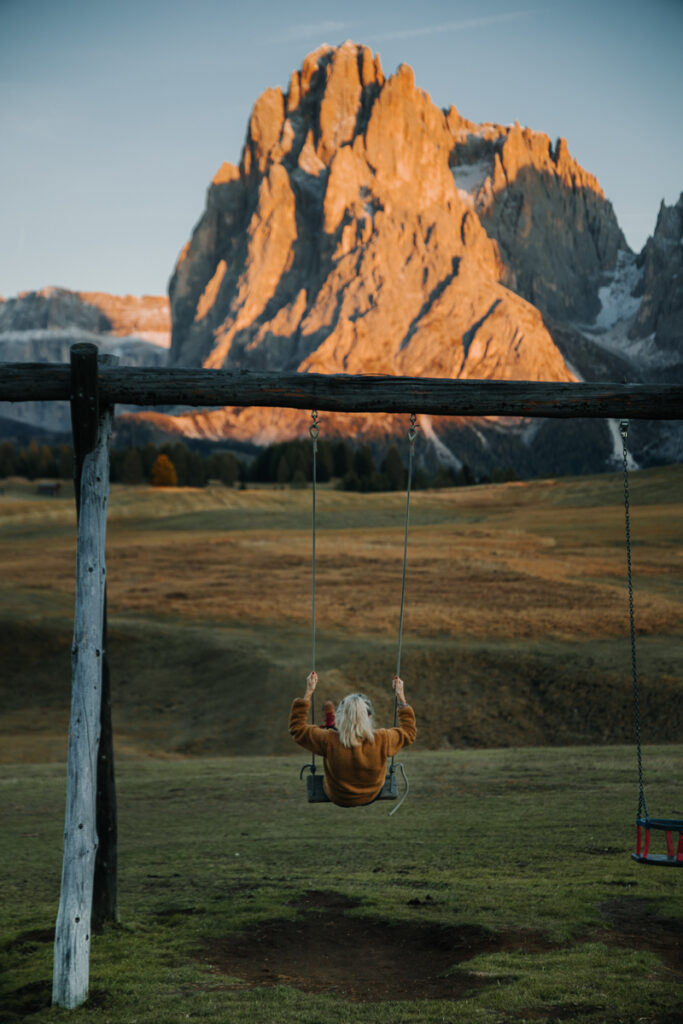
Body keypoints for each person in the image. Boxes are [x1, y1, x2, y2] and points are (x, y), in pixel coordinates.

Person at [289, 672, 416, 807]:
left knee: (329, 731)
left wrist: (308, 692)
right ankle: (333, 722)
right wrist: (401, 697)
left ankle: (332, 722)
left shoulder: (328, 740)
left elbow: (297, 729)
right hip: (371, 794)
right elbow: (409, 732)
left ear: (340, 716)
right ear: (368, 716)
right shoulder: (382, 739)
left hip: (338, 796)